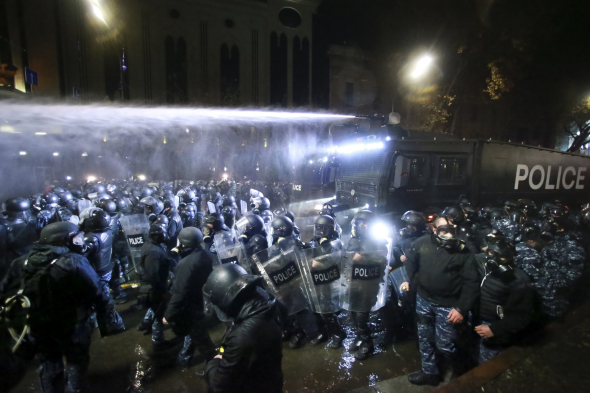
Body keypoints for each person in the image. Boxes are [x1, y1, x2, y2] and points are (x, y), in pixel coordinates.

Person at [0, 222, 110, 393]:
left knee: (49, 362)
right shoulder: (74, 261)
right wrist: (107, 316)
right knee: (76, 360)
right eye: (75, 238)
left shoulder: (20, 262)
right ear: (63, 241)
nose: (79, 241)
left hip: (37, 324)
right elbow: (97, 290)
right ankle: (75, 388)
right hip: (73, 323)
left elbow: (4, 291)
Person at [403, 217, 479, 386]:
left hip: (448, 304)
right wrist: (411, 280)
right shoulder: (421, 243)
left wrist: (461, 308)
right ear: (434, 230)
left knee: (446, 344)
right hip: (424, 300)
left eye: (451, 230)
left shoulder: (463, 251)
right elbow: (410, 261)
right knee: (424, 338)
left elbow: (471, 282)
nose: (448, 234)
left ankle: (460, 370)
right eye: (443, 230)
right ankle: (430, 373)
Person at [203, 264, 284, 393]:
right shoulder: (267, 303)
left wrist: (213, 363)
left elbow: (219, 386)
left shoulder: (242, 336)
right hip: (272, 379)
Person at [163, 227, 217, 371]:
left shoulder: (185, 264)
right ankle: (184, 359)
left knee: (201, 338)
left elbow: (180, 292)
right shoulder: (205, 254)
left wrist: (168, 315)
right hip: (203, 301)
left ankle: (214, 365)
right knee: (194, 334)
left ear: (184, 243)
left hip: (191, 306)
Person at [474, 240, 533, 363]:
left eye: (502, 257)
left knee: (488, 362)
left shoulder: (519, 281)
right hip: (475, 319)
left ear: (511, 257)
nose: (495, 259)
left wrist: (495, 329)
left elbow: (522, 315)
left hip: (493, 325)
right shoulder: (482, 264)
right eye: (491, 253)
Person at [345, 210, 389, 360]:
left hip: (369, 284)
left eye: (365, 223)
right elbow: (346, 258)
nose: (361, 226)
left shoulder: (378, 240)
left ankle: (367, 342)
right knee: (352, 312)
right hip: (354, 282)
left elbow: (383, 258)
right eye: (359, 223)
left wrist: (364, 257)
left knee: (362, 315)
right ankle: (360, 336)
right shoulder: (353, 240)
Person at [137, 221, 173, 347]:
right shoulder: (153, 252)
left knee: (155, 308)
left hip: (153, 287)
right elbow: (153, 275)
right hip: (154, 288)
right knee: (159, 314)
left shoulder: (153, 245)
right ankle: (158, 341)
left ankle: (145, 323)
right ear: (155, 235)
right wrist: (162, 291)